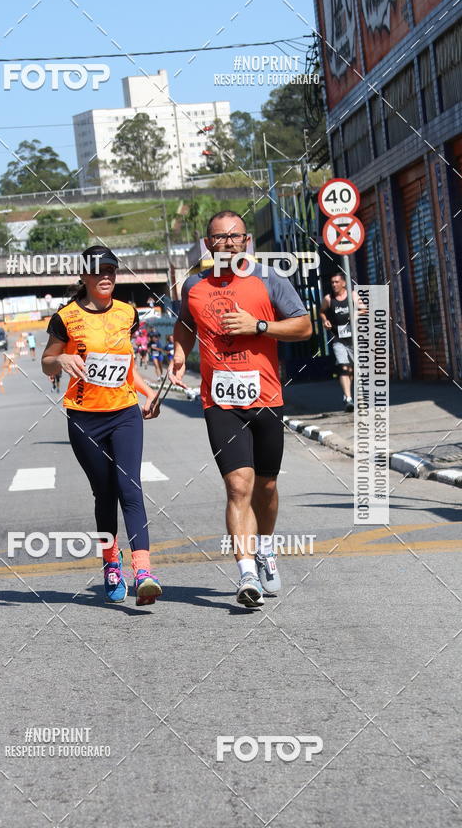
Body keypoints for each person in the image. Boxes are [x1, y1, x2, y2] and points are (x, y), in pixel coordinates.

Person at [170, 211, 312, 608]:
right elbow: (186, 322)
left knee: (265, 486)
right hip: (220, 402)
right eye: (219, 238)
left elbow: (303, 327)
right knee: (238, 487)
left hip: (266, 399)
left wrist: (259, 327)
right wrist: (180, 351)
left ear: (246, 241)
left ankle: (265, 547)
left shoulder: (268, 279)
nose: (228, 244)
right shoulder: (195, 284)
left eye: (235, 237)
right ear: (208, 243)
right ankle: (246, 572)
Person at [41, 245, 163, 606]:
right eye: (98, 272)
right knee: (105, 492)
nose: (105, 277)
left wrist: (147, 391)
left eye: (111, 270)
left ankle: (144, 572)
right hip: (84, 417)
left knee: (130, 487)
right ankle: (111, 562)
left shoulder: (128, 313)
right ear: (85, 277)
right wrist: (60, 358)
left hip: (124, 412)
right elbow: (47, 362)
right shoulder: (66, 318)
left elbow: (126, 366)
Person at [319, 271, 366, 412]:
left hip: (353, 339)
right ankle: (348, 398)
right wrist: (325, 320)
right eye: (332, 282)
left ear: (343, 283)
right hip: (338, 339)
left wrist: (356, 313)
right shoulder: (328, 299)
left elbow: (364, 309)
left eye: (337, 282)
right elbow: (321, 311)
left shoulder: (352, 295)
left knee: (351, 369)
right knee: (343, 366)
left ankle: (350, 395)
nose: (334, 284)